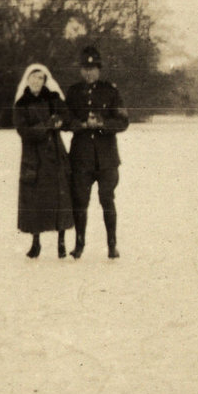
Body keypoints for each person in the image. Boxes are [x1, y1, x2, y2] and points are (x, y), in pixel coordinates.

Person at [65, 45, 130, 259]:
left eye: (92, 68)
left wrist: (102, 124)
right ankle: (79, 245)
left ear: (99, 69)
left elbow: (123, 121)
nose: (88, 72)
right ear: (80, 70)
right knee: (80, 201)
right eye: (85, 68)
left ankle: (112, 244)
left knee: (107, 200)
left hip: (107, 159)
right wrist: (82, 124)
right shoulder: (73, 92)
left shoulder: (111, 91)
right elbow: (66, 120)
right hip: (81, 158)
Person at [14, 63, 74, 258]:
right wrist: (46, 126)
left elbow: (66, 115)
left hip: (55, 154)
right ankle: (36, 242)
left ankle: (61, 242)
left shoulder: (53, 98)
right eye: (34, 77)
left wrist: (60, 120)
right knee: (35, 200)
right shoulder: (21, 103)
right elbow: (23, 131)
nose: (37, 81)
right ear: (27, 79)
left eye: (41, 78)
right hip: (34, 157)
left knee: (60, 198)